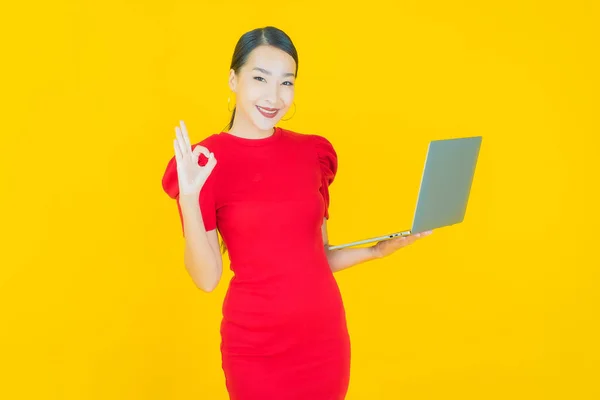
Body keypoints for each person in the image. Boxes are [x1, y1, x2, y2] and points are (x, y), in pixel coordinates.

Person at [162, 26, 433, 400]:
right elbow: (207, 278)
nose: (274, 97)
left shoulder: (312, 154)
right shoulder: (203, 163)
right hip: (255, 346)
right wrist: (189, 198)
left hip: (324, 339)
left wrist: (374, 251)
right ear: (232, 79)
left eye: (286, 83)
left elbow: (316, 256)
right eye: (260, 78)